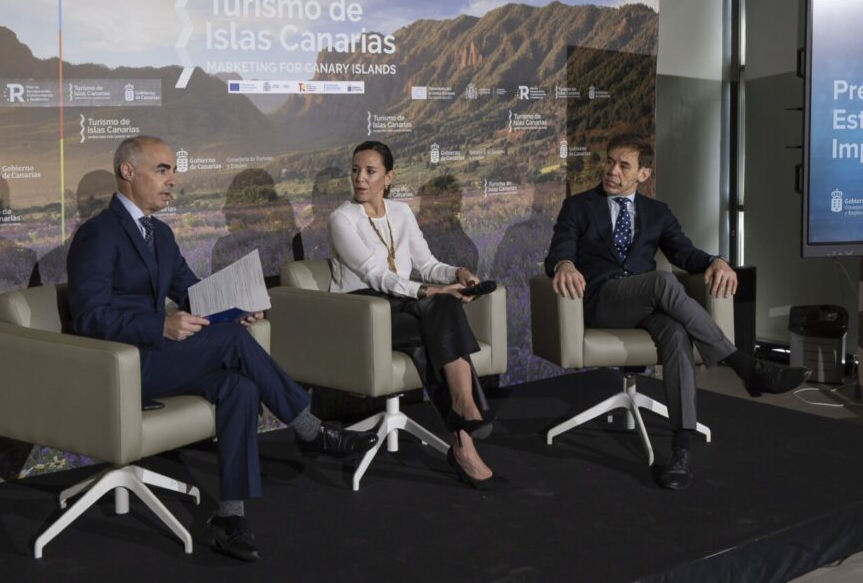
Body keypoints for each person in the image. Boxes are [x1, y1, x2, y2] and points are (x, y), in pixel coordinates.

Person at [67, 136, 377, 562]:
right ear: (127, 171)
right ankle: (310, 429)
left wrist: (234, 310)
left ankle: (230, 517)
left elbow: (191, 294)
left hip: (158, 359)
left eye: (174, 171)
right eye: (162, 170)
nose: (172, 180)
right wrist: (160, 324)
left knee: (239, 386)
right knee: (232, 343)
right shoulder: (98, 234)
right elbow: (89, 317)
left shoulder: (160, 234)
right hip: (118, 366)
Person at [545, 132, 809, 490]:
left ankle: (681, 450)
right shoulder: (579, 206)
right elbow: (559, 249)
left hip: (645, 305)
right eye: (609, 161)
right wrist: (564, 264)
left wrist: (717, 261)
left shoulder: (658, 213)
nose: (612, 171)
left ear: (643, 174)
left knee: (675, 333)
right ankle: (743, 365)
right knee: (663, 281)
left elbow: (684, 253)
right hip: (602, 300)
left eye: (624, 166)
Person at [327, 140, 497, 489]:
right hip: (360, 310)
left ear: (388, 177)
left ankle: (463, 412)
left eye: (370, 171)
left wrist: (457, 273)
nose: (360, 178)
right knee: (437, 319)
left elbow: (427, 264)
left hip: (399, 302)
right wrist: (429, 291)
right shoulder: (341, 219)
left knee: (442, 311)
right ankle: (464, 429)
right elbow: (376, 275)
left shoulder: (401, 213)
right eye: (355, 170)